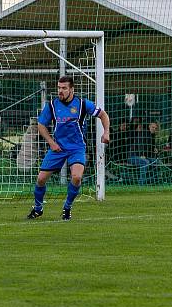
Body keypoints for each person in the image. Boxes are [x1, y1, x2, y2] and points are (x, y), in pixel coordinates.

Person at [27, 76, 110, 221]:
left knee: (77, 177)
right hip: (58, 148)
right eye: (59, 88)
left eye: (64, 88)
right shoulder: (52, 105)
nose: (60, 91)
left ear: (72, 89)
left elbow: (103, 115)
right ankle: (38, 208)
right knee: (40, 179)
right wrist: (51, 142)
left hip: (77, 148)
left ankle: (67, 207)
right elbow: (41, 125)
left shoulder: (83, 104)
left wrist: (106, 132)